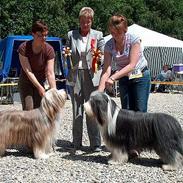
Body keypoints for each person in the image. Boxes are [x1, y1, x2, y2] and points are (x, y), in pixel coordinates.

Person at [98, 14, 151, 157]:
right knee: (126, 114)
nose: (114, 36)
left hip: (140, 76)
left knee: (139, 112)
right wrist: (99, 92)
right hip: (124, 79)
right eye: (112, 33)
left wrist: (113, 77)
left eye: (118, 33)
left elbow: (132, 65)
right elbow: (106, 69)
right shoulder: (109, 45)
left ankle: (138, 146)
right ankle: (127, 147)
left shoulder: (134, 39)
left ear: (125, 30)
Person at [66, 7, 105, 152]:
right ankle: (76, 143)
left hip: (92, 75)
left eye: (88, 22)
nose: (85, 25)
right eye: (83, 22)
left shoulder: (98, 34)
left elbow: (102, 55)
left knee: (92, 110)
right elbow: (67, 53)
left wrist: (99, 58)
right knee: (77, 110)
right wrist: (66, 54)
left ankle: (95, 144)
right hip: (76, 75)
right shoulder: (71, 34)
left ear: (91, 21)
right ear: (79, 20)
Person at [18, 20, 56, 110]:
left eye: (46, 35)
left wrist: (54, 91)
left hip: (40, 80)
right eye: (40, 35)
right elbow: (28, 71)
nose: (44, 38)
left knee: (40, 111)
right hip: (26, 82)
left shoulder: (49, 50)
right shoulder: (23, 48)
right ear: (33, 34)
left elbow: (50, 73)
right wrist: (39, 88)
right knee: (29, 110)